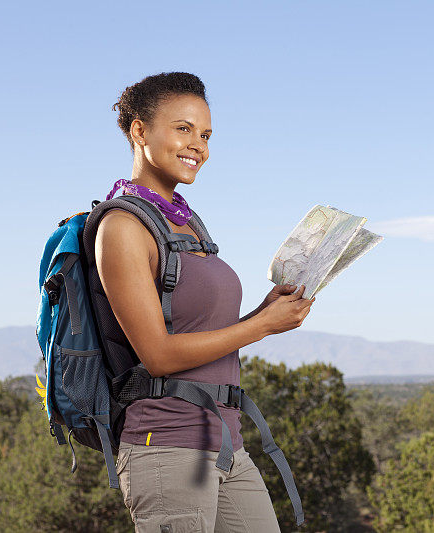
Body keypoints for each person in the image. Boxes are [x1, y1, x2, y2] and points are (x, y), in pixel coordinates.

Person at [96, 71, 314, 532]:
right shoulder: (122, 227)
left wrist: (264, 311)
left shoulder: (189, 224)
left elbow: (200, 334)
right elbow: (157, 356)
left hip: (225, 443)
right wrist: (264, 326)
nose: (200, 146)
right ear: (139, 130)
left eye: (206, 134)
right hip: (166, 446)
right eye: (183, 129)